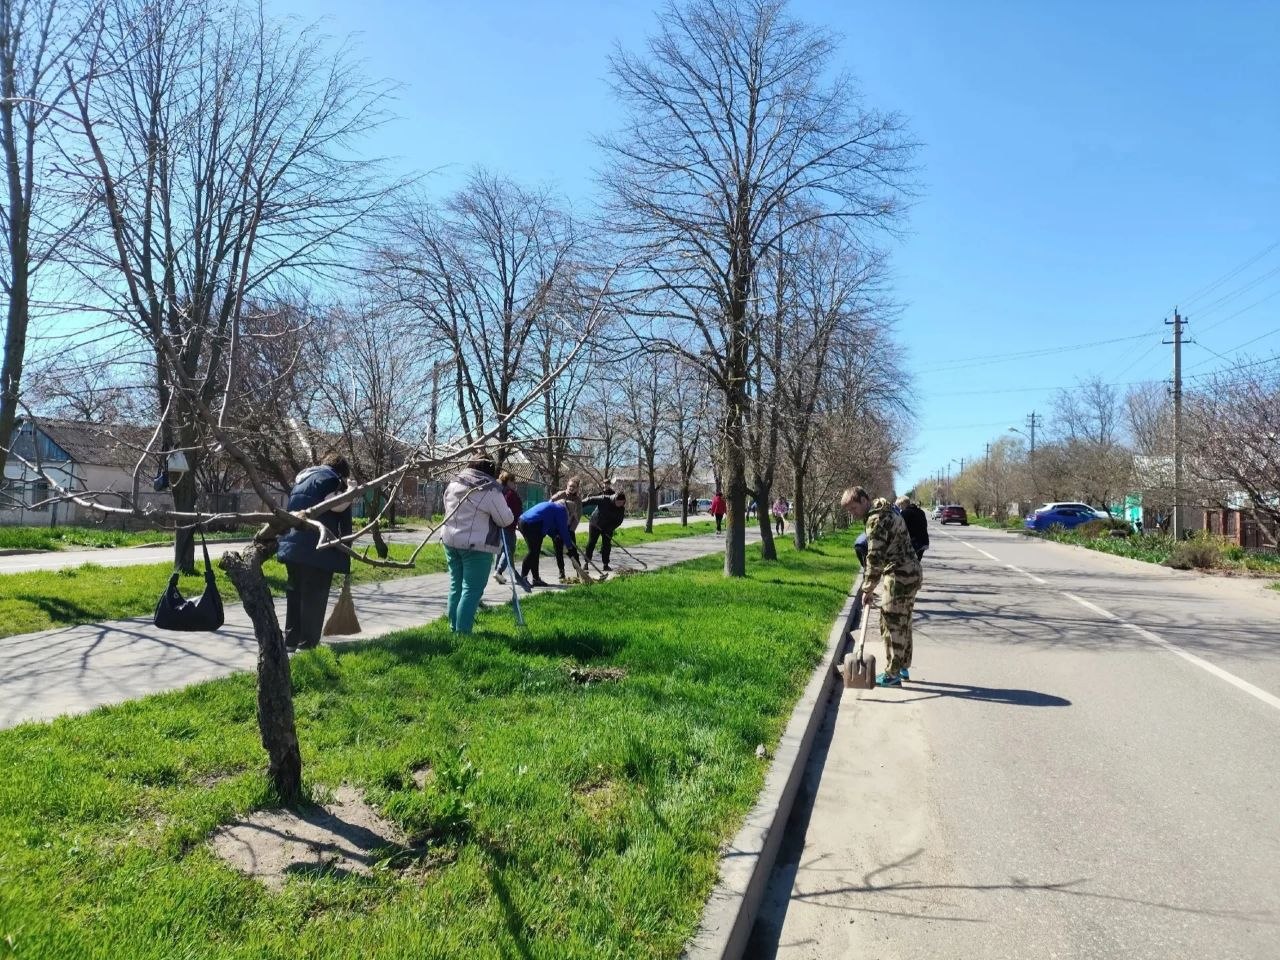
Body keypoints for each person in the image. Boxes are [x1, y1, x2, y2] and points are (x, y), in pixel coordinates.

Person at [842, 486, 923, 688]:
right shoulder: (886, 509)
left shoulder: (876, 520)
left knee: (891, 622)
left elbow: (874, 557)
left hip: (899, 574)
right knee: (903, 621)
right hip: (911, 571)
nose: (852, 513)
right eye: (849, 511)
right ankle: (902, 665)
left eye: (853, 508)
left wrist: (867, 588)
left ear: (863, 500)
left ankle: (892, 674)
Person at [277, 451, 355, 651]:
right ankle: (307, 646)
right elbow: (337, 509)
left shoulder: (303, 479)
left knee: (295, 594)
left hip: (292, 546)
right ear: (341, 471)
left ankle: (290, 642)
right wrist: (351, 492)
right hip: (317, 548)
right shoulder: (333, 480)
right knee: (314, 597)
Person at [440, 458, 514, 634]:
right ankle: (463, 633)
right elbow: (505, 519)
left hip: (450, 541)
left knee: (456, 586)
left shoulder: (454, 484)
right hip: (477, 545)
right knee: (471, 590)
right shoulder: (489, 490)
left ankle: (453, 629)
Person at [518, 498, 581, 587]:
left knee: (535, 552)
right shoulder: (561, 510)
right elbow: (564, 531)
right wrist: (569, 546)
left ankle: (536, 579)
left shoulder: (554, 507)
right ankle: (522, 578)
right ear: (569, 511)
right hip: (531, 524)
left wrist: (555, 535)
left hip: (524, 521)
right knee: (533, 552)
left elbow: (549, 526)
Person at [492, 470, 528, 589]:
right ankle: (498, 571)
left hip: (500, 525)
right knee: (509, 550)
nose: (515, 484)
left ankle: (498, 573)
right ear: (508, 481)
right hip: (509, 525)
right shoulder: (510, 494)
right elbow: (515, 510)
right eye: (513, 481)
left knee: (502, 549)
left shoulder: (499, 492)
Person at [582, 488, 627, 570]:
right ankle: (586, 562)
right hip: (595, 524)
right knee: (591, 543)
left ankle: (605, 564)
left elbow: (619, 521)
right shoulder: (604, 499)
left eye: (622, 503)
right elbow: (590, 500)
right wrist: (580, 505)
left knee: (606, 545)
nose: (620, 504)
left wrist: (609, 528)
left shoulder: (621, 509)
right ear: (615, 499)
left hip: (607, 528)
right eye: (618, 502)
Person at [550, 476, 583, 584]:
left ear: (577, 488)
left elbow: (577, 517)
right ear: (567, 486)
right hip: (558, 528)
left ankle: (579, 571)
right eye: (570, 486)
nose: (571, 488)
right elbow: (549, 504)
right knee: (558, 550)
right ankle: (561, 571)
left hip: (568, 528)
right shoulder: (560, 494)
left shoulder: (578, 500)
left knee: (573, 551)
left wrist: (571, 530)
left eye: (574, 487)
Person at [896, 495, 930, 562]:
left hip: (915, 542)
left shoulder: (905, 513)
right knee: (916, 563)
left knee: (908, 564)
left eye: (900, 505)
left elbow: (900, 528)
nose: (900, 508)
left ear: (904, 504)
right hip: (924, 542)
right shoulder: (920, 511)